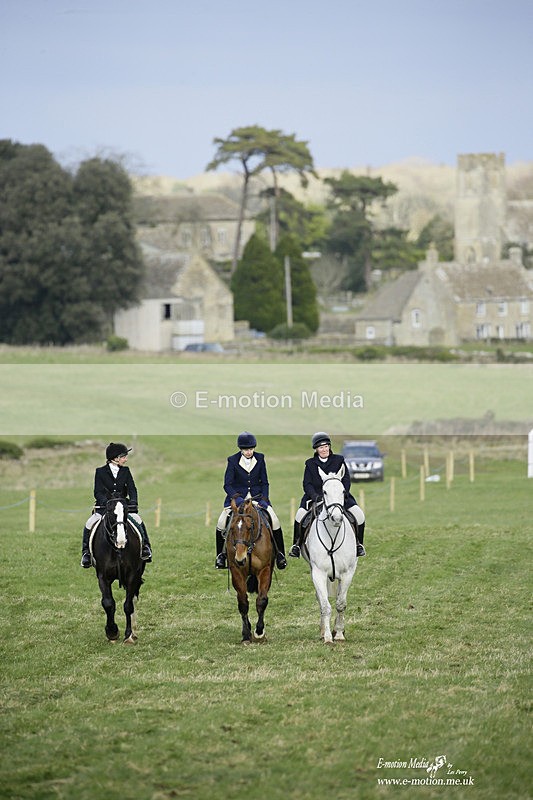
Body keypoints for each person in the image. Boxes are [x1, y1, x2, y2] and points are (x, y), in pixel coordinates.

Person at [214, 431, 287, 570]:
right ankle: (220, 556)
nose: (249, 452)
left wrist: (264, 499)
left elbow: (265, 482)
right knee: (221, 522)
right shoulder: (232, 460)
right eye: (246, 450)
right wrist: (237, 498)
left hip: (257, 498)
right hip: (237, 500)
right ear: (241, 449)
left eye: (251, 449)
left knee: (275, 520)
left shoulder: (260, 458)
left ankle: (280, 555)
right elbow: (227, 485)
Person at [288, 431, 366, 558]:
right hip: (316, 497)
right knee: (299, 516)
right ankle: (296, 545)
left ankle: (358, 544)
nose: (324, 450)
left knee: (359, 515)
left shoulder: (339, 460)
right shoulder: (310, 464)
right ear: (316, 449)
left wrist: (343, 493)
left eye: (326, 446)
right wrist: (315, 497)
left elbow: (346, 480)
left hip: (339, 496)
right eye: (321, 447)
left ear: (329, 447)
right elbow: (307, 484)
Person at [80, 442, 152, 568]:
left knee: (138, 520)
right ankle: (86, 553)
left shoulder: (126, 471)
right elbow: (98, 492)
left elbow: (132, 489)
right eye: (124, 457)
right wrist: (106, 503)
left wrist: (133, 502)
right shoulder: (100, 472)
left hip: (122, 507)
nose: (126, 459)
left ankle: (145, 548)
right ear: (115, 458)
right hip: (104, 507)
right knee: (89, 523)